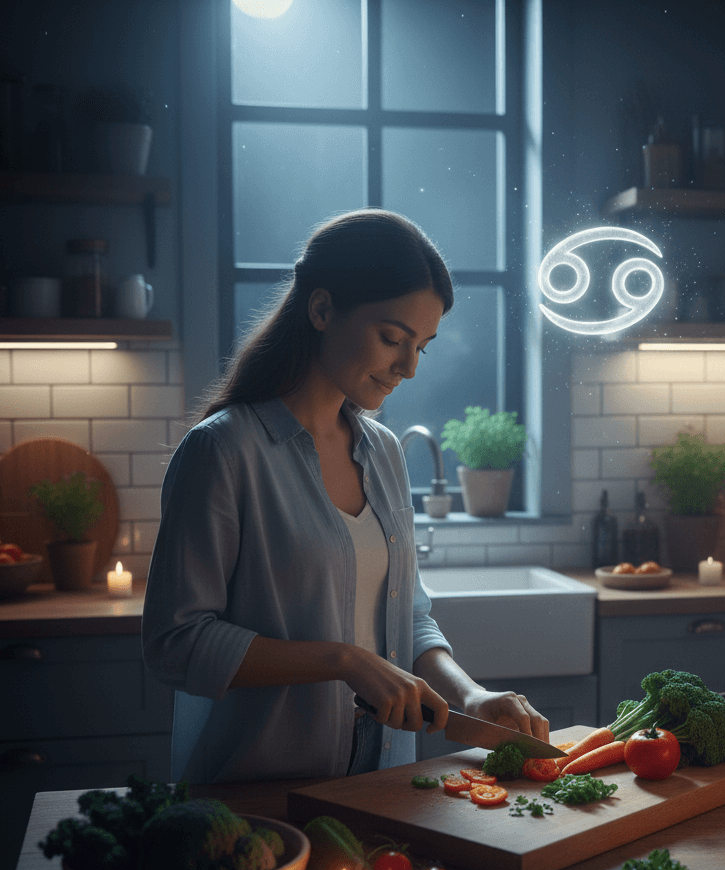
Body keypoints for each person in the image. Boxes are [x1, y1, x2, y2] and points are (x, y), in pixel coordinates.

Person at [142, 208, 549, 784]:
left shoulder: (382, 451)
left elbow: (407, 616)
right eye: (392, 338)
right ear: (322, 309)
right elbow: (175, 642)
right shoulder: (223, 451)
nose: (407, 367)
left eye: (422, 347)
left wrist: (472, 698)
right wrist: (343, 661)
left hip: (381, 776)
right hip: (255, 795)